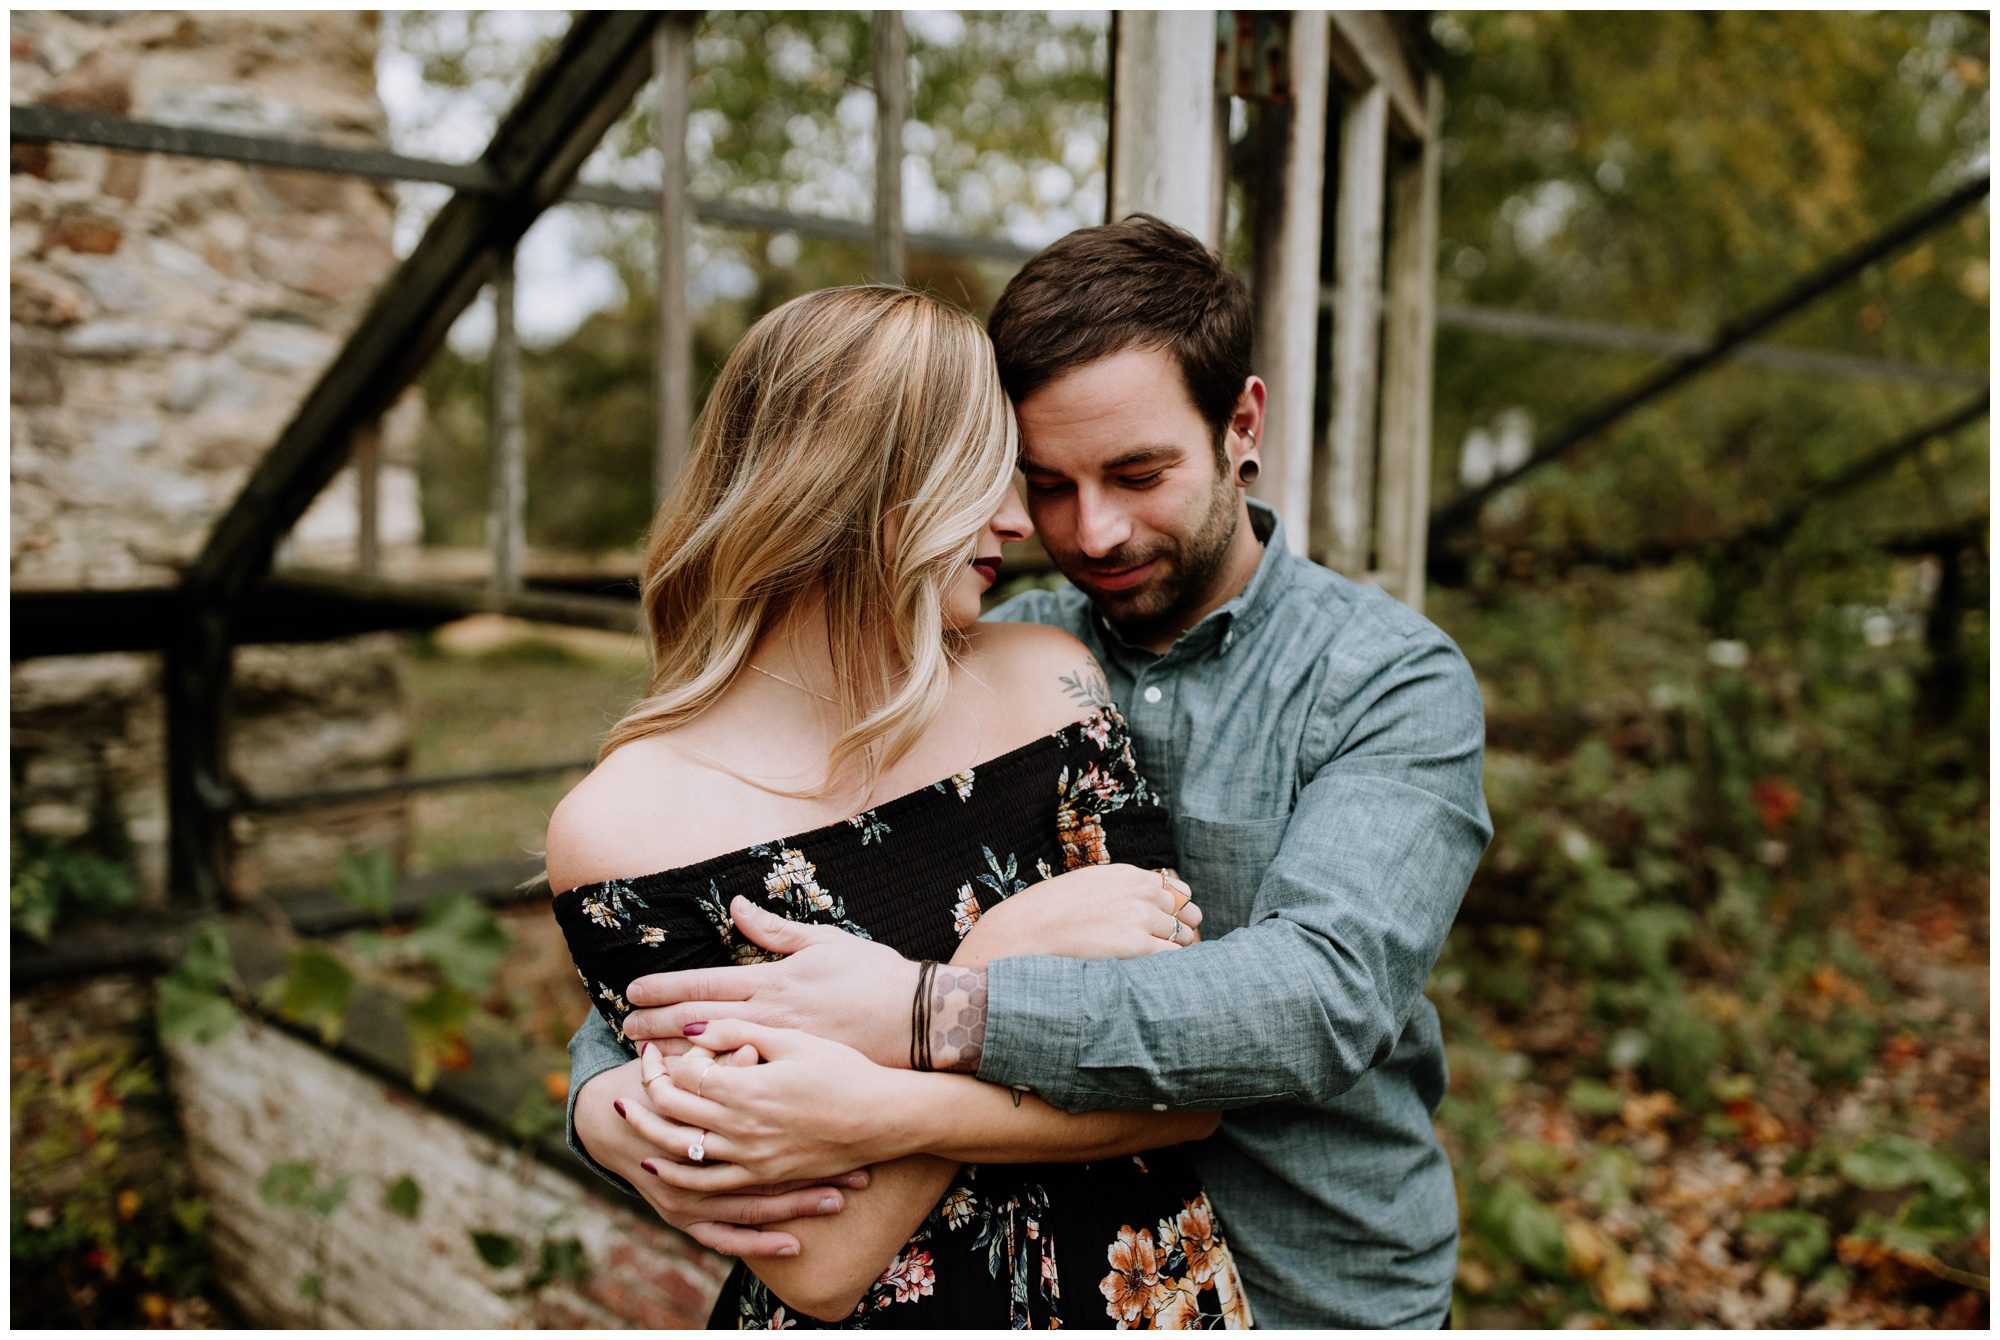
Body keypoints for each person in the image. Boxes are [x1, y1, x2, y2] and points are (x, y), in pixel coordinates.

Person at [567, 216, 1493, 1328]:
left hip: (1309, 1283)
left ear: (1240, 424)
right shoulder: (1001, 658)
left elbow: (1318, 998)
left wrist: (940, 1004)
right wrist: (603, 1093)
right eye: (1044, 481)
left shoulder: (1384, 678)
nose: (1089, 531)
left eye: (1136, 473)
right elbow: (745, 917)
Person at [544, 283, 1253, 1329]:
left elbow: (1181, 1086)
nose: (1018, 521)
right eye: (982, 477)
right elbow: (824, 1259)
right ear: (856, 487)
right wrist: (991, 959)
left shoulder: (1046, 685)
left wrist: (872, 1092)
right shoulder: (625, 827)